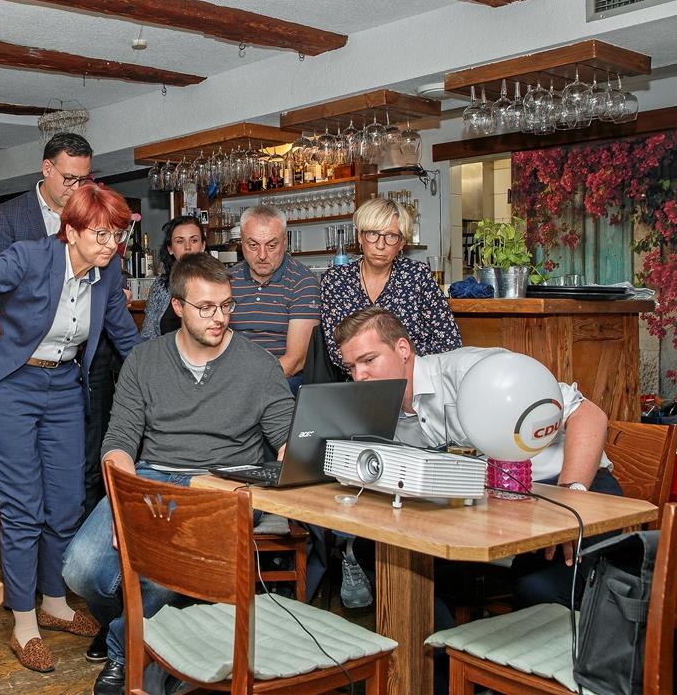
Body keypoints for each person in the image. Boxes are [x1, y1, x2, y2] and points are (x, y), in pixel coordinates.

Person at [0, 183, 141, 674]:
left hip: (64, 386)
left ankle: (54, 601)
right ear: (71, 231)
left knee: (65, 504)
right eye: (101, 235)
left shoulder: (107, 276)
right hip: (7, 386)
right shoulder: (28, 256)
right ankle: (24, 624)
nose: (110, 245)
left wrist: (167, 373)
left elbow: (123, 335)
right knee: (24, 506)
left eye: (116, 236)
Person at [63, 252, 294, 695]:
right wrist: (123, 503)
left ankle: (124, 651)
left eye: (227, 305)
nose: (219, 317)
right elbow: (118, 443)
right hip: (149, 479)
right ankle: (157, 639)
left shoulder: (259, 365)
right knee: (81, 570)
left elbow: (286, 438)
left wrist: (296, 464)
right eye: (205, 307)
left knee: (158, 569)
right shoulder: (144, 361)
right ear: (178, 307)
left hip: (221, 484)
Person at [334, 306, 618, 609]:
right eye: (351, 367)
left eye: (368, 360)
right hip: (491, 505)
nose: (359, 375)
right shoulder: (380, 407)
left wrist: (571, 499)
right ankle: (440, 653)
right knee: (377, 551)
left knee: (537, 587)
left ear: (402, 349)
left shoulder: (471, 369)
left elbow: (587, 413)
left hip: (566, 488)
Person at [0, 133, 120, 526]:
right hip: (24, 363)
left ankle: (71, 546)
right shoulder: (12, 216)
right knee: (26, 481)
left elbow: (104, 273)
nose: (79, 188)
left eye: (86, 179)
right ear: (47, 169)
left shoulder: (95, 211)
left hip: (81, 362)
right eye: (70, 179)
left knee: (80, 465)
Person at [321, 197, 460, 369]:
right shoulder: (336, 280)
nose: (380, 245)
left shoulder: (417, 275)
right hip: (356, 382)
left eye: (391, 236)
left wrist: (387, 363)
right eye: (373, 234)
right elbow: (338, 351)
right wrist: (393, 357)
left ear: (401, 243)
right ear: (360, 237)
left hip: (412, 378)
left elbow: (449, 343)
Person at [229, 204, 321, 394]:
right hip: (232, 376)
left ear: (285, 242)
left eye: (272, 245)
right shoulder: (226, 281)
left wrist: (246, 386)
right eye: (253, 245)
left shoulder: (302, 281)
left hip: (283, 379)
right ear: (241, 243)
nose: (262, 255)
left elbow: (295, 361)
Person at [0, 132, 93, 257]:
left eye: (82, 179)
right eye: (69, 178)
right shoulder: (8, 215)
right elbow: (1, 273)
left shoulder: (92, 212)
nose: (76, 188)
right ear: (47, 168)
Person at [139, 215, 205, 340]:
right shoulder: (161, 286)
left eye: (194, 240)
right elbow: (148, 334)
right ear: (170, 249)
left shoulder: (216, 283)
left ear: (203, 246)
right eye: (180, 241)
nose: (188, 247)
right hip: (164, 356)